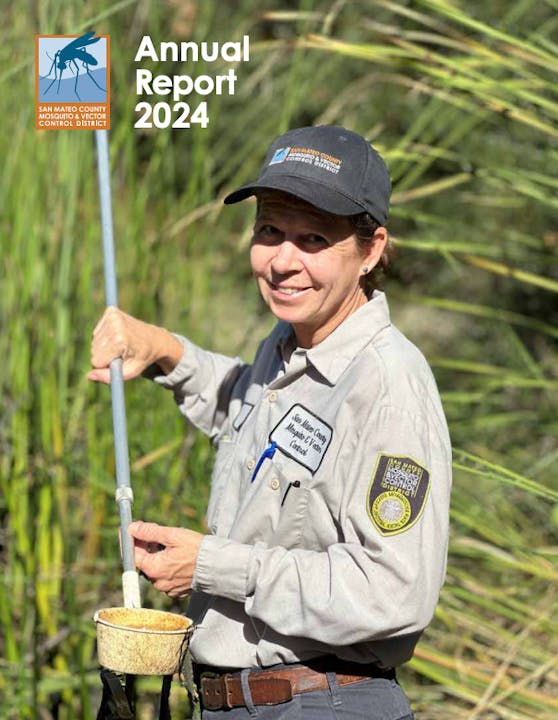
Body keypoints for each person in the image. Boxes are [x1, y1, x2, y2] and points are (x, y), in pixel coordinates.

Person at [89, 125, 452, 720]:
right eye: (269, 231)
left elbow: (395, 592)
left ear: (371, 249)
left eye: (314, 239)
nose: (283, 262)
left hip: (323, 703)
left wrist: (208, 565)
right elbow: (251, 411)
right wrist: (164, 351)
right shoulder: (289, 345)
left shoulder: (389, 384)